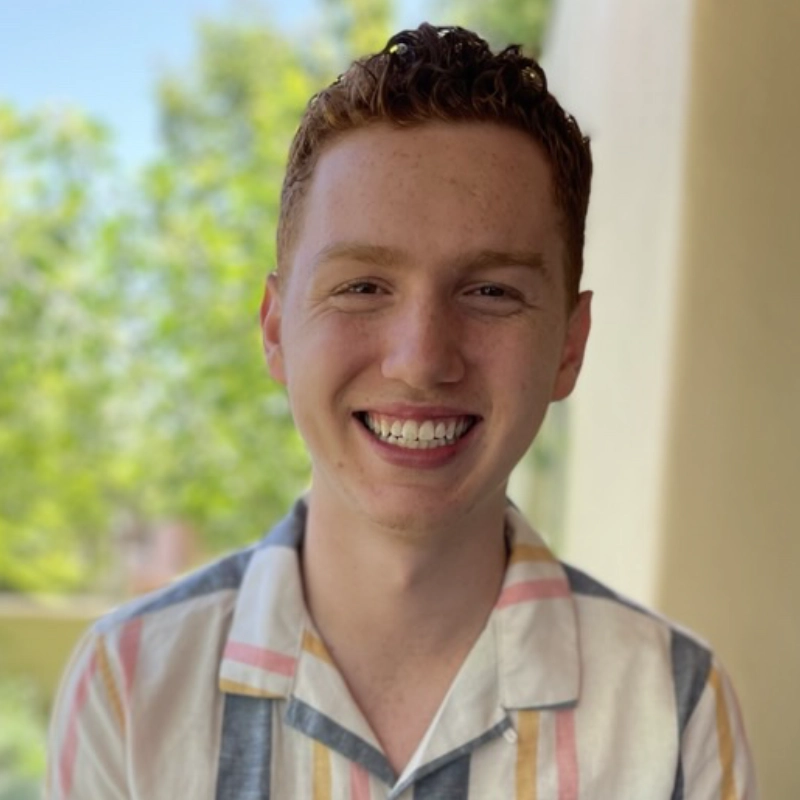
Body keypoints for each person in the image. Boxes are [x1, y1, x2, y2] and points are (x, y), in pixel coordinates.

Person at [46, 23, 756, 799]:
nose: (420, 359)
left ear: (568, 346)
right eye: (362, 286)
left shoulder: (675, 710)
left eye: (490, 291)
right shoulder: (130, 688)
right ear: (277, 330)